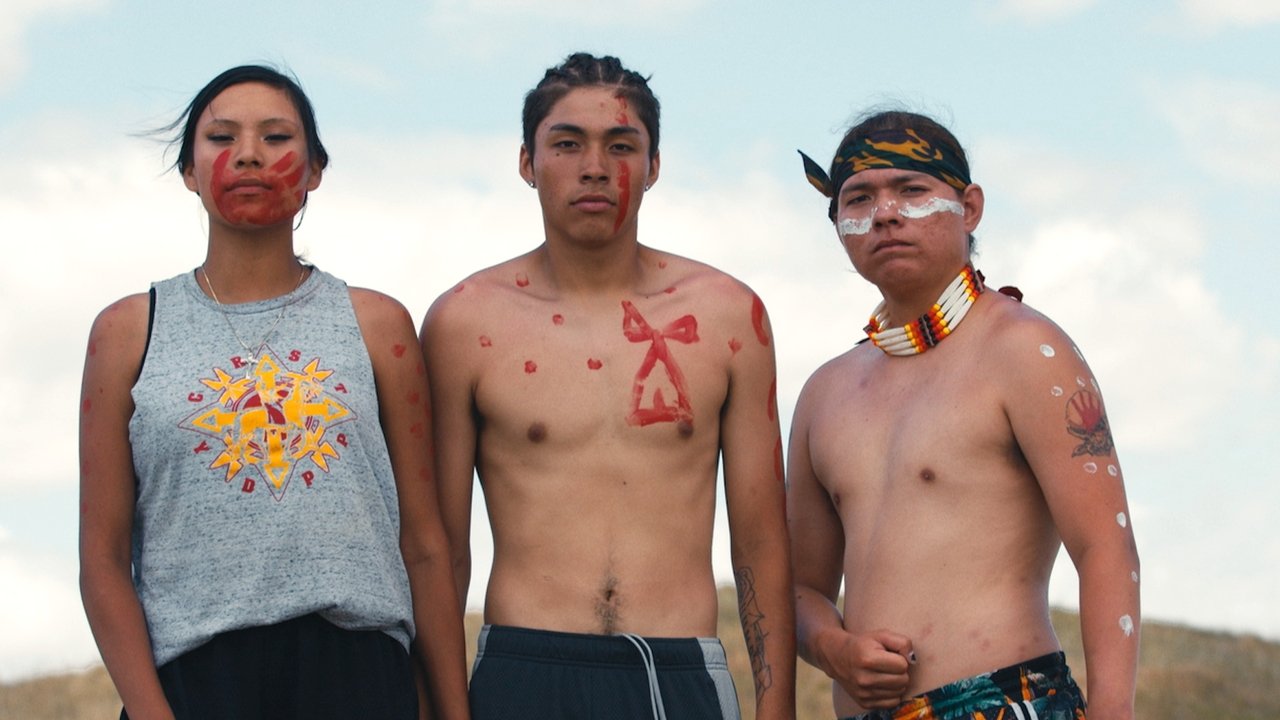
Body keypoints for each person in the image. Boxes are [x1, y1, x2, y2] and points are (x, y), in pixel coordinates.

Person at [78, 65, 469, 720]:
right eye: (222, 137)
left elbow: (425, 546)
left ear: (315, 169)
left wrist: (453, 713)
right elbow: (103, 557)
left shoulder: (378, 326)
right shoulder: (126, 333)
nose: (250, 154)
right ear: (189, 172)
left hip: (360, 675)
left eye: (277, 136)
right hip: (194, 682)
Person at [420, 52, 795, 720]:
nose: (594, 167)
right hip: (522, 668)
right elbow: (440, 552)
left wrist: (778, 708)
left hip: (677, 668)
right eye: (567, 144)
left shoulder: (728, 315)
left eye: (621, 145)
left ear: (653, 166)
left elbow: (761, 542)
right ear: (527, 162)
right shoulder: (466, 322)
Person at [789, 111, 1140, 720]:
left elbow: (1105, 548)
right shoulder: (825, 393)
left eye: (913, 190)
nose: (886, 214)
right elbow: (798, 589)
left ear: (970, 207)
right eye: (859, 198)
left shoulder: (1024, 351)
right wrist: (833, 648)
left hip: (1005, 699)